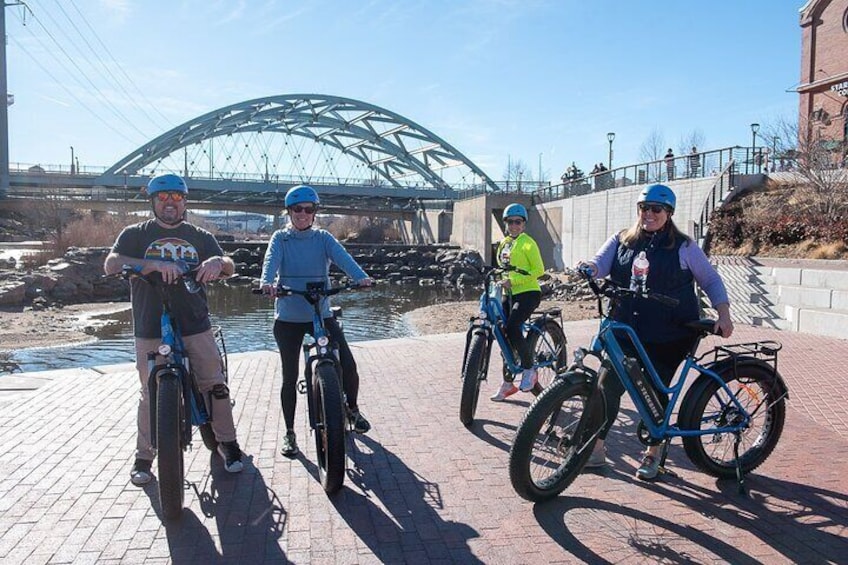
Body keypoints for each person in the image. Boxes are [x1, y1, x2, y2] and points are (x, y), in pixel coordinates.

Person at [577, 184, 734, 480]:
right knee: (606, 387)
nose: (648, 214)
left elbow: (711, 280)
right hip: (626, 328)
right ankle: (596, 449)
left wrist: (723, 314)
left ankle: (654, 452)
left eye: (656, 209)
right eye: (644, 208)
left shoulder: (685, 247)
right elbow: (600, 265)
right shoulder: (621, 240)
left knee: (654, 389)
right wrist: (588, 268)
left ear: (669, 213)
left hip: (670, 333)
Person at [104, 173, 244, 485]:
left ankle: (228, 444)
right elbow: (111, 264)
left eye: (177, 198)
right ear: (153, 202)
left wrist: (217, 263)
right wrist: (150, 265)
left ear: (184, 202)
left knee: (214, 384)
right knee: (149, 391)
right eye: (163, 198)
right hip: (150, 325)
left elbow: (230, 265)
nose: (170, 204)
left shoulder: (199, 235)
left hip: (195, 323)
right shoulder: (135, 234)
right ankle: (144, 456)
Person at [260, 185, 374, 457]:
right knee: (289, 376)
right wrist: (267, 282)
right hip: (289, 315)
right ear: (289, 212)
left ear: (314, 213)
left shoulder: (323, 238)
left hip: (319, 312)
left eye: (308, 209)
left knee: (347, 362)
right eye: (297, 209)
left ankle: (353, 410)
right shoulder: (280, 238)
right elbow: (270, 262)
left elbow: (343, 258)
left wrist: (361, 277)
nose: (302, 214)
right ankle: (289, 433)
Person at [490, 203, 546, 401]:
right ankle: (508, 383)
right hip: (509, 293)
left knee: (513, 327)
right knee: (502, 332)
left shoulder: (528, 243)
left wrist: (513, 281)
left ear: (524, 224)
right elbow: (503, 267)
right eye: (510, 222)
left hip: (528, 292)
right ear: (505, 223)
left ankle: (529, 369)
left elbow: (539, 270)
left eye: (518, 222)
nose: (514, 225)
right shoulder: (505, 243)